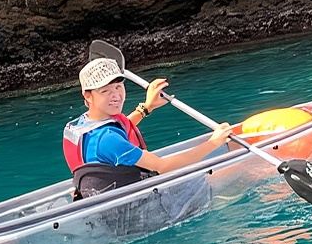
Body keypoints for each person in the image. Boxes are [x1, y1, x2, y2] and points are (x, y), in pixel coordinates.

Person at [63, 57, 233, 199]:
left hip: (102, 198)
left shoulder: (79, 126)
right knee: (235, 175)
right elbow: (162, 166)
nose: (116, 96)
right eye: (105, 91)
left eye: (118, 87)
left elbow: (113, 135)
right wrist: (214, 142)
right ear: (88, 96)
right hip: (138, 208)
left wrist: (146, 108)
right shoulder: (108, 140)